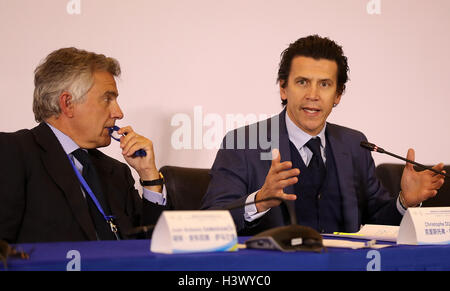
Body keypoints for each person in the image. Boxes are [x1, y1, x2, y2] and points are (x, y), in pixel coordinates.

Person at [201, 35, 446, 235]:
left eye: (325, 84)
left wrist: (404, 201)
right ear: (283, 88)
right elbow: (211, 221)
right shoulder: (243, 143)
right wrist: (260, 201)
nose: (313, 95)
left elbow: (377, 222)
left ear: (338, 95)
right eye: (302, 82)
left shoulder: (353, 144)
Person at [0, 48, 168, 243]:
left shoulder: (116, 172)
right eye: (107, 99)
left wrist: (149, 177)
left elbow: (154, 248)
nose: (118, 113)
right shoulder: (12, 152)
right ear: (68, 103)